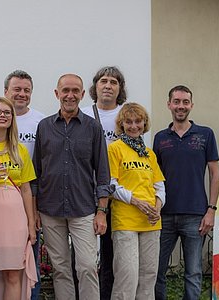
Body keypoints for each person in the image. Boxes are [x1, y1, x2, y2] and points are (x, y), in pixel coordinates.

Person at [33, 74, 112, 300]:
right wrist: (35, 210)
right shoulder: (44, 127)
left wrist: (101, 211)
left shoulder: (93, 128)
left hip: (84, 208)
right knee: (60, 269)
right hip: (49, 210)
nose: (70, 95)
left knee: (87, 267)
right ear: (56, 94)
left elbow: (103, 173)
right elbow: (37, 171)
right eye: (65, 90)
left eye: (75, 91)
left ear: (83, 95)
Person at [0, 70, 45, 299]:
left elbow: (26, 187)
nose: (2, 116)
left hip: (15, 217)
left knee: (13, 273)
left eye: (6, 113)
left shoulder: (20, 149)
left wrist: (31, 220)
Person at [153, 85, 219, 300]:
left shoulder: (205, 134)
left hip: (195, 214)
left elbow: (214, 174)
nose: (180, 106)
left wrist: (211, 209)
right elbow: (154, 177)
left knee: (193, 273)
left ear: (191, 105)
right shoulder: (160, 138)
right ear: (169, 104)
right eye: (176, 101)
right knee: (157, 271)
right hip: (164, 214)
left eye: (185, 102)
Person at [108, 102, 165, 299]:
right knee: (127, 277)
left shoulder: (149, 153)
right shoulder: (115, 148)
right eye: (128, 122)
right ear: (121, 124)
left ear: (144, 123)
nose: (134, 126)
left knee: (148, 277)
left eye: (138, 121)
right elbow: (111, 185)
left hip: (151, 221)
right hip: (126, 221)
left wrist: (157, 207)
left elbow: (160, 186)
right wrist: (137, 202)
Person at [80, 66, 127, 299]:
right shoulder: (84, 114)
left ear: (120, 89)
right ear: (95, 87)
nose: (108, 86)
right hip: (88, 191)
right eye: (104, 81)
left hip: (118, 194)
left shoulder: (126, 115)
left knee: (110, 252)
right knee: (84, 253)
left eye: (114, 82)